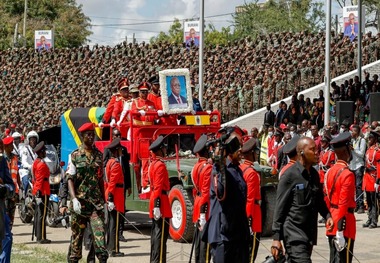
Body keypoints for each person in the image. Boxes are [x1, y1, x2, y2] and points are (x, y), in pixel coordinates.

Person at [271, 137, 333, 262]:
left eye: (316, 149)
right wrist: (276, 238)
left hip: (308, 234)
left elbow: (319, 200)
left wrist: (327, 216)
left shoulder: (314, 175)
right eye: (312, 149)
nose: (317, 152)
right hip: (294, 235)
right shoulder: (289, 176)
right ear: (301, 153)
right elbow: (279, 207)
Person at [204, 127, 250, 263]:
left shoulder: (238, 170)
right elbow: (221, 193)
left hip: (238, 232)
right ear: (229, 151)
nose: (241, 150)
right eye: (237, 146)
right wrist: (221, 166)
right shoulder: (218, 170)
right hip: (223, 235)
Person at [66, 123, 108, 263]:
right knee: (76, 241)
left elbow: (100, 179)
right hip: (80, 204)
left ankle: (101, 258)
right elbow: (70, 179)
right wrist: (73, 199)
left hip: (95, 204)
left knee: (100, 238)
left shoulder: (99, 156)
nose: (91, 137)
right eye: (88, 134)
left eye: (93, 134)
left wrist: (106, 201)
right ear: (82, 136)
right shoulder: (75, 156)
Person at [324, 132, 356, 263]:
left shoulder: (329, 171)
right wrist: (340, 231)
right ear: (345, 151)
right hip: (343, 223)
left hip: (332, 220)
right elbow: (343, 203)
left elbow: (326, 198)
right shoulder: (347, 174)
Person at [103, 128, 131, 242]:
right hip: (112, 185)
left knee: (122, 209)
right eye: (115, 135)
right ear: (112, 136)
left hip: (121, 184)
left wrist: (128, 185)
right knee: (113, 212)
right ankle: (112, 234)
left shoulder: (123, 150)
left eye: (119, 135)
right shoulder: (108, 150)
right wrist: (107, 185)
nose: (118, 137)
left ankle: (120, 233)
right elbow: (104, 168)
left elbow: (127, 169)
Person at [148, 136, 172, 263]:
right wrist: (157, 205)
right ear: (159, 150)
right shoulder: (160, 165)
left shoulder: (153, 164)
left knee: (156, 233)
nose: (165, 150)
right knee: (160, 235)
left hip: (156, 198)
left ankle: (154, 260)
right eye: (163, 148)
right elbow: (158, 187)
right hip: (160, 200)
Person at [191, 134, 212, 263]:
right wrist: (204, 213)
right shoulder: (207, 168)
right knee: (205, 243)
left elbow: (195, 190)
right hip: (205, 207)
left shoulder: (196, 167)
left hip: (198, 203)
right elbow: (206, 192)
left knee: (199, 241)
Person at [240, 138, 261, 262]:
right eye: (256, 152)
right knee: (251, 254)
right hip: (252, 215)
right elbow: (250, 199)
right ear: (251, 153)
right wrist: (249, 221)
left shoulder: (241, 168)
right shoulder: (252, 173)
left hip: (242, 214)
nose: (257, 155)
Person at [104, 138, 125, 257]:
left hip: (112, 194)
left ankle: (110, 247)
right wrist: (111, 198)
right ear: (116, 150)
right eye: (120, 149)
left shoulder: (109, 162)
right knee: (114, 224)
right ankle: (114, 249)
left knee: (111, 223)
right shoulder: (115, 164)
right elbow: (112, 183)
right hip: (115, 195)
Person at [32, 141, 51, 244]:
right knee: (42, 215)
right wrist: (38, 192)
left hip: (39, 190)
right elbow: (39, 180)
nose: (45, 153)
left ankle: (39, 236)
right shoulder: (41, 165)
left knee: (39, 214)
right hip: (43, 191)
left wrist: (35, 192)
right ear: (41, 152)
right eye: (44, 151)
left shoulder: (36, 162)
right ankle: (41, 237)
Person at [362, 129, 380, 229]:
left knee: (374, 201)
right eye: (368, 138)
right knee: (368, 200)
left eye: (371, 138)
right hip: (367, 177)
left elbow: (379, 166)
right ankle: (369, 218)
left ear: (375, 139)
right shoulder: (369, 150)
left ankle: (374, 220)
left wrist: (378, 180)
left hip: (373, 178)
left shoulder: (377, 151)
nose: (369, 139)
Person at [0, 138, 15, 260]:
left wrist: (5, 189)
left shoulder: (1, 161)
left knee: (7, 238)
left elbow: (11, 185)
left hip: (0, 209)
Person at [349, 125, 366, 213]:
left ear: (358, 132)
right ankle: (354, 204)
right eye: (352, 131)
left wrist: (353, 149)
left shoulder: (361, 140)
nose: (352, 132)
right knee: (352, 186)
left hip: (359, 165)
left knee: (358, 186)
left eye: (354, 131)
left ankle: (361, 206)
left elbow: (362, 154)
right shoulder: (352, 140)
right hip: (351, 165)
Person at [3, 137, 20, 227]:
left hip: (13, 190)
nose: (13, 146)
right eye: (11, 145)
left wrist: (19, 187)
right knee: (4, 213)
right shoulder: (2, 158)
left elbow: (17, 174)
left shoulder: (15, 157)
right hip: (4, 190)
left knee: (11, 212)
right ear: (6, 147)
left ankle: (9, 231)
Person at [19, 131, 38, 199]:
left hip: (36, 171)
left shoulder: (38, 150)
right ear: (29, 140)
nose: (33, 141)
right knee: (26, 182)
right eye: (31, 139)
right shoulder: (25, 149)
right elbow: (24, 161)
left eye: (34, 139)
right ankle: (24, 197)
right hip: (26, 170)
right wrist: (30, 166)